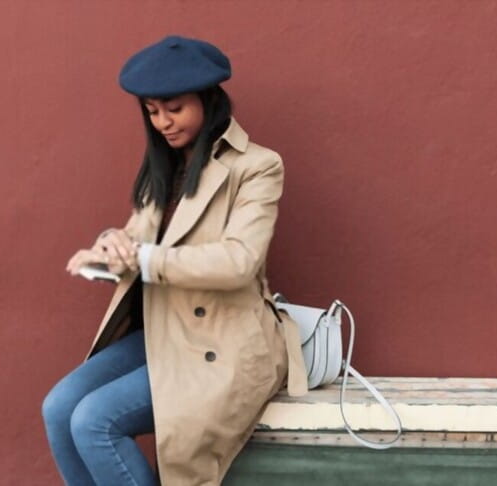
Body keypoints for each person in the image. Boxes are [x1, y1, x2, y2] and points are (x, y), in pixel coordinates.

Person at [41, 35, 307, 486]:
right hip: (165, 329)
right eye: (152, 111)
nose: (163, 122)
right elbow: (137, 239)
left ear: (207, 100)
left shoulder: (257, 167)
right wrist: (108, 249)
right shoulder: (163, 167)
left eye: (174, 108)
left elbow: (238, 261)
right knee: (59, 408)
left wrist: (145, 258)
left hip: (225, 342)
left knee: (94, 422)